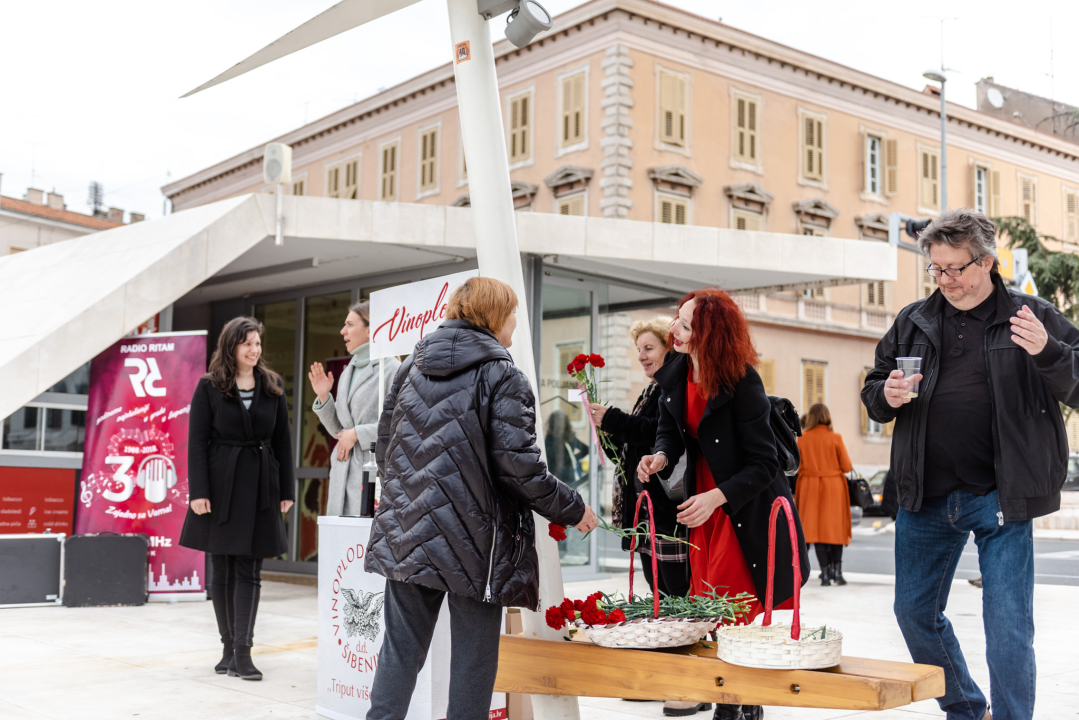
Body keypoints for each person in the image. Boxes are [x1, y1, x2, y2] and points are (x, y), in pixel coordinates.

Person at [862, 208, 1079, 720]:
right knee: (914, 613)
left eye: (955, 269)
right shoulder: (912, 320)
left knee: (1007, 627)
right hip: (924, 495)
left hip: (1001, 496)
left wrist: (1048, 352)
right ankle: (965, 708)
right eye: (936, 269)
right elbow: (873, 389)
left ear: (986, 262)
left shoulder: (1030, 316)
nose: (945, 280)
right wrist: (885, 395)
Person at [365, 276, 599, 720]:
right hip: (474, 542)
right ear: (495, 317)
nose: (516, 324)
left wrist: (412, 498)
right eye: (512, 314)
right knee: (473, 664)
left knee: (399, 650)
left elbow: (385, 448)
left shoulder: (410, 366)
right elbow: (520, 468)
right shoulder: (503, 375)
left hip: (408, 532)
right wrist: (574, 508)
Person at [638, 289, 809, 720]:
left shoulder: (742, 380)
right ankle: (735, 700)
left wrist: (717, 498)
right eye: (677, 320)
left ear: (709, 334)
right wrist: (660, 456)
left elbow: (765, 462)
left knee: (731, 605)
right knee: (708, 605)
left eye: (685, 325)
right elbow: (669, 432)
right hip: (703, 502)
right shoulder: (675, 371)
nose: (674, 330)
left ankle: (737, 705)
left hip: (740, 503)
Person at [591, 316, 703, 719]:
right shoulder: (653, 389)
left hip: (670, 511)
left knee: (678, 596)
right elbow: (634, 447)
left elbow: (659, 433)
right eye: (639, 350)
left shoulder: (675, 388)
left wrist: (613, 420)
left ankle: (690, 684)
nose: (641, 356)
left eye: (649, 348)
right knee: (659, 596)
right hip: (646, 512)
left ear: (670, 349)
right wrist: (610, 434)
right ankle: (663, 678)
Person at [179, 317, 295, 681]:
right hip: (220, 486)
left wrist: (287, 490)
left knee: (249, 570)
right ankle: (227, 648)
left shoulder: (272, 385)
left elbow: (283, 441)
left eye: (257, 343)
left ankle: (243, 653)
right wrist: (198, 492)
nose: (254, 350)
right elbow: (197, 442)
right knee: (223, 568)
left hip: (261, 487)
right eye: (247, 343)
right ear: (231, 346)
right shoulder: (209, 386)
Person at [307, 301, 400, 516]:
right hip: (343, 474)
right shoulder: (348, 372)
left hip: (373, 474)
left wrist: (358, 433)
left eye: (349, 324)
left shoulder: (392, 369)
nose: (343, 331)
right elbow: (340, 431)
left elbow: (400, 424)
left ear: (370, 330)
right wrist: (323, 396)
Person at [793, 403, 853, 586]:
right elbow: (847, 467)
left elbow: (797, 467)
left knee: (815, 531)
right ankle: (838, 573)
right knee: (835, 530)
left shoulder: (802, 439)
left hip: (809, 487)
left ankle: (825, 575)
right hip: (834, 487)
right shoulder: (836, 438)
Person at [544, 409, 589, 490]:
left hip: (564, 477)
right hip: (559, 477)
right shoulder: (551, 439)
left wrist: (572, 458)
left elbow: (586, 449)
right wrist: (571, 459)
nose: (559, 424)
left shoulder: (568, 437)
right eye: (558, 421)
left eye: (561, 421)